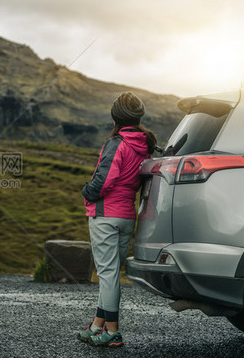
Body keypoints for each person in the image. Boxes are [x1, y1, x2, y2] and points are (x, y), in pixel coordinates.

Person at [77, 92, 157, 347]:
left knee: (108, 275)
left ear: (115, 117)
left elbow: (105, 180)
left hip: (106, 215)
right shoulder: (145, 144)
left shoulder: (116, 143)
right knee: (110, 273)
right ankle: (97, 325)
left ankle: (113, 332)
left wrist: (87, 192)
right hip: (126, 216)